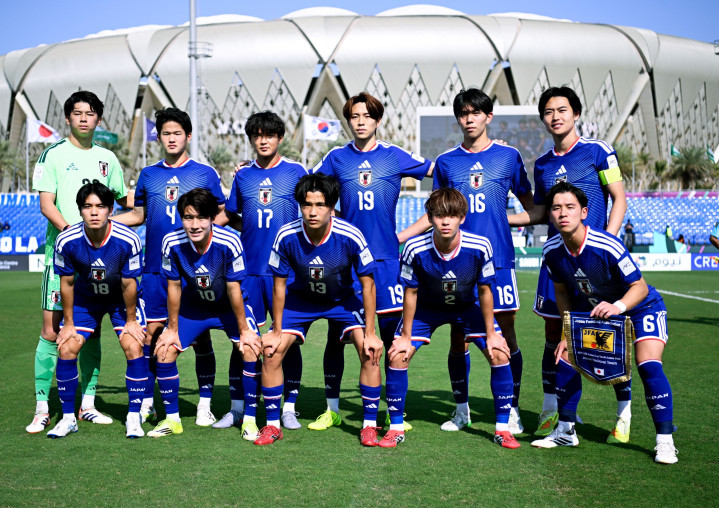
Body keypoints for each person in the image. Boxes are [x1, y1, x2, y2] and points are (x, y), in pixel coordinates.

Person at [400, 88, 532, 433]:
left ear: (489, 116)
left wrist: (502, 219)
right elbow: (436, 211)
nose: (469, 119)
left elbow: (533, 209)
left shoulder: (509, 156)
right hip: (455, 263)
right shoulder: (446, 162)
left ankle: (512, 408)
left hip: (498, 259)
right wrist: (399, 237)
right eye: (463, 113)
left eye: (476, 113)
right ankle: (462, 410)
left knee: (505, 336)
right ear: (458, 118)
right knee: (458, 335)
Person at [508, 86, 629, 441]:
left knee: (609, 334)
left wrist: (608, 244)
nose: (555, 116)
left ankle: (623, 414)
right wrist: (498, 219)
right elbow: (539, 213)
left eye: (562, 110)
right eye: (548, 111)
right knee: (554, 334)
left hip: (598, 262)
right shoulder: (543, 164)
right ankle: (551, 412)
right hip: (558, 263)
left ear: (576, 114)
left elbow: (619, 198)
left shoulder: (598, 151)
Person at [531, 182, 677, 465]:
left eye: (570, 207)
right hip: (600, 311)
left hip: (640, 307)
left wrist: (618, 306)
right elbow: (561, 292)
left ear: (584, 212)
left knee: (648, 365)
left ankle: (665, 441)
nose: (563, 213)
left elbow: (640, 287)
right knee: (564, 356)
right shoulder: (551, 250)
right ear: (550, 214)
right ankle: (565, 431)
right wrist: (566, 333)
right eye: (557, 208)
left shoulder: (605, 245)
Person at [312, 92, 433, 430]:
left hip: (387, 262)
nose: (361, 121)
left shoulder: (394, 155)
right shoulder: (336, 157)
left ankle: (395, 412)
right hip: (346, 263)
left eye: (367, 115)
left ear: (377, 120)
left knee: (394, 338)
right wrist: (332, 221)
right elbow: (307, 187)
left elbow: (443, 172)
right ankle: (333, 409)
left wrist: (404, 234)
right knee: (337, 334)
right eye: (354, 116)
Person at [113, 107, 225, 427]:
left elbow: (219, 214)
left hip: (194, 269)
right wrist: (104, 223)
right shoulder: (148, 174)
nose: (172, 138)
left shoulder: (205, 173)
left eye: (177, 133)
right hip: (155, 269)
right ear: (158, 137)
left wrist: (205, 244)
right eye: (166, 133)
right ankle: (149, 402)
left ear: (188, 136)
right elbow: (138, 216)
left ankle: (205, 404)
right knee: (151, 335)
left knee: (201, 337)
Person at [28, 90, 131, 433]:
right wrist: (74, 236)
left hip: (100, 264)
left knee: (91, 332)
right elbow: (47, 204)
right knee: (50, 331)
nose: (84, 118)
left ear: (98, 119)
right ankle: (43, 408)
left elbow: (122, 200)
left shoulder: (108, 158)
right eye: (77, 113)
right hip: (62, 259)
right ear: (68, 118)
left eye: (90, 113)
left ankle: (87, 404)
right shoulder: (53, 154)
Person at [258, 173, 383, 446]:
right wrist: (276, 330)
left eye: (320, 205)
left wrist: (371, 333)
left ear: (332, 207)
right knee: (271, 350)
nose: (312, 212)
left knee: (370, 351)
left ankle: (370, 426)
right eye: (307, 204)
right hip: (301, 301)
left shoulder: (350, 235)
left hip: (342, 301)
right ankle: (272, 425)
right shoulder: (286, 235)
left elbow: (368, 284)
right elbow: (279, 285)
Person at [388, 188, 517, 448]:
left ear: (462, 217)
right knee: (397, 355)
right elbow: (410, 293)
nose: (445, 222)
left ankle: (503, 429)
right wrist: (405, 337)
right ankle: (395, 428)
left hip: (467, 307)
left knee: (499, 353)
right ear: (430, 218)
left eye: (452, 216)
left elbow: (485, 290)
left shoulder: (479, 246)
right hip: (427, 308)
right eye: (438, 216)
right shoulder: (414, 247)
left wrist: (492, 335)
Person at [148, 188, 261, 438]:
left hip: (228, 308)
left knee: (251, 349)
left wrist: (244, 331)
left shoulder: (229, 242)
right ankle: (172, 420)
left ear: (211, 218)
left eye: (201, 217)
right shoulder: (171, 242)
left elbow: (234, 289)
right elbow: (173, 287)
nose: (195, 225)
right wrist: (172, 329)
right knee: (164, 351)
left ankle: (249, 420)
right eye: (188, 217)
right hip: (193, 308)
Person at [223, 111, 308, 436]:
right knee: (242, 339)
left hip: (286, 274)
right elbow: (232, 215)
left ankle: (288, 407)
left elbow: (311, 210)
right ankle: (238, 407)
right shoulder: (243, 175)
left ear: (280, 138)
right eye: (257, 135)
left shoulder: (296, 172)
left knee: (288, 341)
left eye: (269, 135)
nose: (263, 140)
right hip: (250, 271)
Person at [47, 182, 147, 438]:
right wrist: (68, 323)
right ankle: (68, 418)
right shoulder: (67, 240)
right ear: (80, 210)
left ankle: (133, 417)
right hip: (85, 299)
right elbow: (67, 283)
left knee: (133, 345)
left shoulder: (128, 239)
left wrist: (131, 320)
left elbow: (129, 284)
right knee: (67, 346)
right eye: (88, 206)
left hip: (120, 300)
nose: (94, 212)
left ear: (111, 210)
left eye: (100, 206)